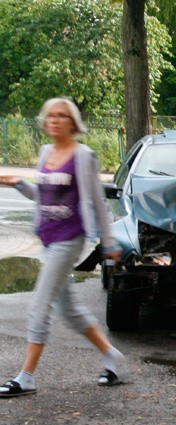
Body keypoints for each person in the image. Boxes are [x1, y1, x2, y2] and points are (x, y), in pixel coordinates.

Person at [0, 97, 127, 398]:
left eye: (62, 115)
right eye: (51, 116)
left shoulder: (84, 156)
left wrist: (108, 242)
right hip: (47, 239)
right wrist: (18, 182)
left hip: (69, 240)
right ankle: (114, 358)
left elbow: (97, 202)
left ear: (73, 123)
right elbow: (41, 196)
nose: (55, 120)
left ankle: (26, 376)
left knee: (39, 305)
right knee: (69, 311)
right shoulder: (45, 152)